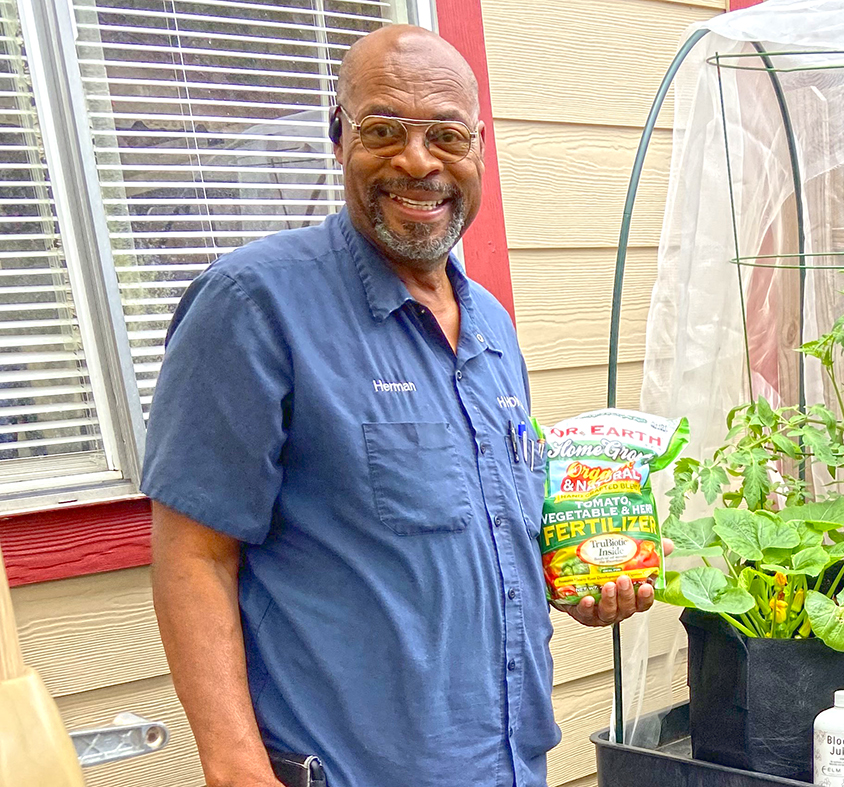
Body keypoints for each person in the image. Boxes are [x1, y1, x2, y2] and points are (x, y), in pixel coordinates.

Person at [144, 25, 657, 787]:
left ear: (478, 153)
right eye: (383, 130)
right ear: (338, 138)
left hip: (512, 764)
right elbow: (194, 553)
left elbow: (485, 526)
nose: (418, 161)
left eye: (446, 136)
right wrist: (235, 768)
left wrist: (582, 582)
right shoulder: (254, 304)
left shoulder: (491, 325)